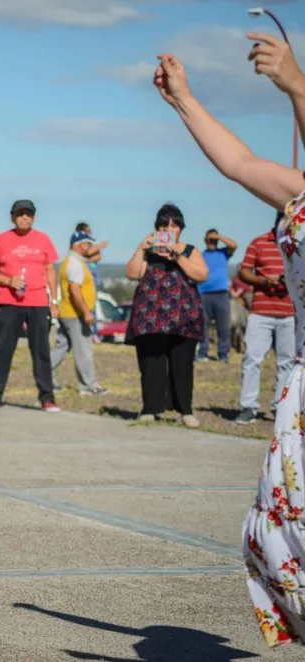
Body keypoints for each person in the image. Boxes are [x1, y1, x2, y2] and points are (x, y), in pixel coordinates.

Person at [153, 32, 305, 648]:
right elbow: (238, 164)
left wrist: (295, 84)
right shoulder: (298, 193)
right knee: (284, 526)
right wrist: (185, 101)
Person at [124, 204, 208, 428]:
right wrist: (142, 249)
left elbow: (201, 274)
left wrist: (177, 256)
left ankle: (185, 411)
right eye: (164, 225)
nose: (169, 229)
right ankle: (150, 408)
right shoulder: (148, 250)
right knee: (151, 362)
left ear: (181, 228)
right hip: (150, 314)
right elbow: (132, 273)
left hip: (183, 316)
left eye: (174, 225)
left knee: (182, 364)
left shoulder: (189, 250)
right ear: (156, 227)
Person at [0, 199, 61, 413]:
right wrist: (9, 281)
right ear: (12, 217)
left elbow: (51, 271)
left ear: (33, 217)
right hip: (9, 301)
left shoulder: (43, 239)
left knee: (41, 350)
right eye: (20, 214)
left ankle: (47, 397)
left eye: (28, 214)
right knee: (3, 350)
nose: (24, 218)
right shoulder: (2, 239)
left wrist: (54, 301)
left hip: (38, 301)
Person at [235, 211, 295, 424]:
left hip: (290, 313)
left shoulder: (300, 245)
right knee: (252, 358)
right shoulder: (258, 243)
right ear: (277, 220)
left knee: (287, 362)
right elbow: (243, 272)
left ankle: (281, 408)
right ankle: (248, 407)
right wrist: (263, 280)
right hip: (260, 312)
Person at [50, 229, 108, 396]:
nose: (90, 247)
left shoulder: (71, 261)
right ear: (80, 245)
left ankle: (45, 375)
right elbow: (75, 290)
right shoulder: (74, 263)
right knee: (84, 349)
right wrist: (86, 312)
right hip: (76, 314)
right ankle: (88, 386)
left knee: (62, 347)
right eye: (88, 243)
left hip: (67, 312)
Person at [197, 228, 239, 363]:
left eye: (213, 238)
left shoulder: (223, 253)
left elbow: (234, 245)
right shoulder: (201, 255)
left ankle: (223, 354)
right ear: (205, 240)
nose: (212, 240)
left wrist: (219, 236)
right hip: (203, 293)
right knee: (203, 325)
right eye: (210, 238)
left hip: (221, 294)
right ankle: (202, 353)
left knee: (223, 327)